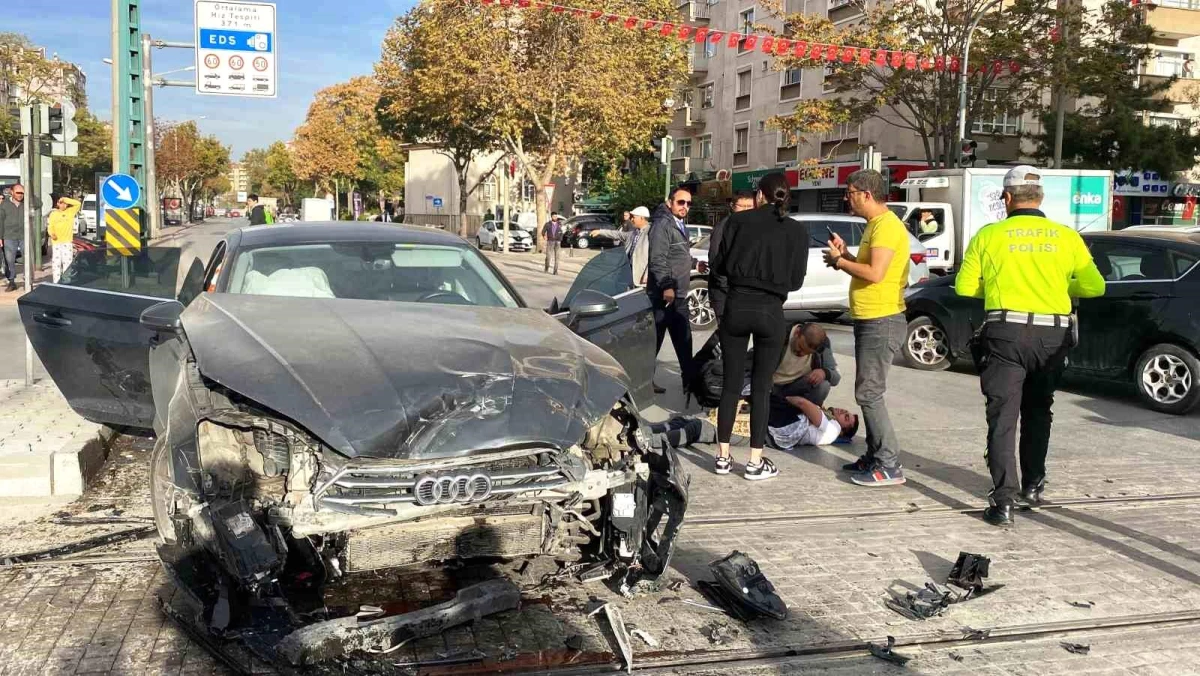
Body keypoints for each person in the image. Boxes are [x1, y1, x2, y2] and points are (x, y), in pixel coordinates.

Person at [955, 165, 1106, 527]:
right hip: (1052, 337)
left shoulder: (989, 235)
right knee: (1039, 410)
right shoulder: (1066, 237)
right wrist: (1058, 288)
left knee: (1003, 416)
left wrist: (996, 289)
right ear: (1039, 198)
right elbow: (1095, 286)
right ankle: (1034, 486)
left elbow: (963, 287)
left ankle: (1003, 502)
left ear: (1007, 198)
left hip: (1005, 333)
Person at [709, 172, 809, 481]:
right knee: (762, 388)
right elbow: (795, 281)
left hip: (736, 306)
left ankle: (722, 457)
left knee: (731, 386)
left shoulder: (738, 223)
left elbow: (721, 265)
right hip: (770, 311)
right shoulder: (797, 232)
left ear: (759, 196)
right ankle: (755, 461)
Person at [823, 169, 910, 487]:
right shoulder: (877, 226)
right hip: (870, 317)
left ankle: (889, 464)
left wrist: (840, 262)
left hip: (881, 319)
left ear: (867, 194)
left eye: (850, 192)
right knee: (867, 391)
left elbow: (875, 273)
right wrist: (845, 254)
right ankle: (875, 455)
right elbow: (870, 271)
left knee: (869, 392)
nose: (847, 197)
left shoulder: (887, 227)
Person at [648, 187, 698, 396]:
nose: (685, 207)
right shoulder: (663, 224)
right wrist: (667, 286)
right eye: (681, 202)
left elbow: (677, 255)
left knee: (684, 341)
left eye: (688, 203)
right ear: (669, 203)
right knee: (655, 343)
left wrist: (695, 264)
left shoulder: (678, 224)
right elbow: (657, 260)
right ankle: (642, 383)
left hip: (677, 294)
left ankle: (690, 383)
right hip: (665, 295)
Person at [708, 190, 757, 320]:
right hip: (725, 294)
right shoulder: (724, 227)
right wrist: (729, 288)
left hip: (740, 293)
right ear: (733, 206)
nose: (746, 210)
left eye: (750, 207)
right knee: (726, 334)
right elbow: (714, 259)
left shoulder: (750, 226)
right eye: (742, 206)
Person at [769, 322, 841, 407]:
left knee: (823, 385)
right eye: (800, 347)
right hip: (771, 386)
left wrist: (824, 372)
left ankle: (804, 415)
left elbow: (836, 378)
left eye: (807, 353)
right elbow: (751, 361)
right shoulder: (780, 334)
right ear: (797, 333)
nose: (801, 354)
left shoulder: (822, 346)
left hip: (795, 387)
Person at [767, 394, 859, 451]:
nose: (843, 411)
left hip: (784, 423)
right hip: (783, 423)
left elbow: (802, 403)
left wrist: (782, 398)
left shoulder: (834, 429)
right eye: (846, 411)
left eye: (846, 417)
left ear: (842, 432)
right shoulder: (831, 422)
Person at [0, 183, 39, 292]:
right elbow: (1, 220)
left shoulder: (27, 202)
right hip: (9, 236)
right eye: (18, 192)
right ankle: (12, 281)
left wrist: (29, 194)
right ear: (12, 192)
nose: (20, 195)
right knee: (10, 260)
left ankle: (28, 281)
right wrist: (0, 237)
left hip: (24, 236)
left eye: (22, 192)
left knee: (28, 258)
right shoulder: (5, 204)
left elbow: (39, 204)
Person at [47, 194, 81, 283]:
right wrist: (52, 234)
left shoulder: (70, 211)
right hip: (56, 242)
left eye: (64, 203)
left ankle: (67, 281)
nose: (62, 205)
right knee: (56, 263)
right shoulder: (53, 214)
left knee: (68, 263)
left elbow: (78, 204)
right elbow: (50, 226)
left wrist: (65, 199)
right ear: (57, 204)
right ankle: (56, 281)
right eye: (60, 203)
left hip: (67, 242)